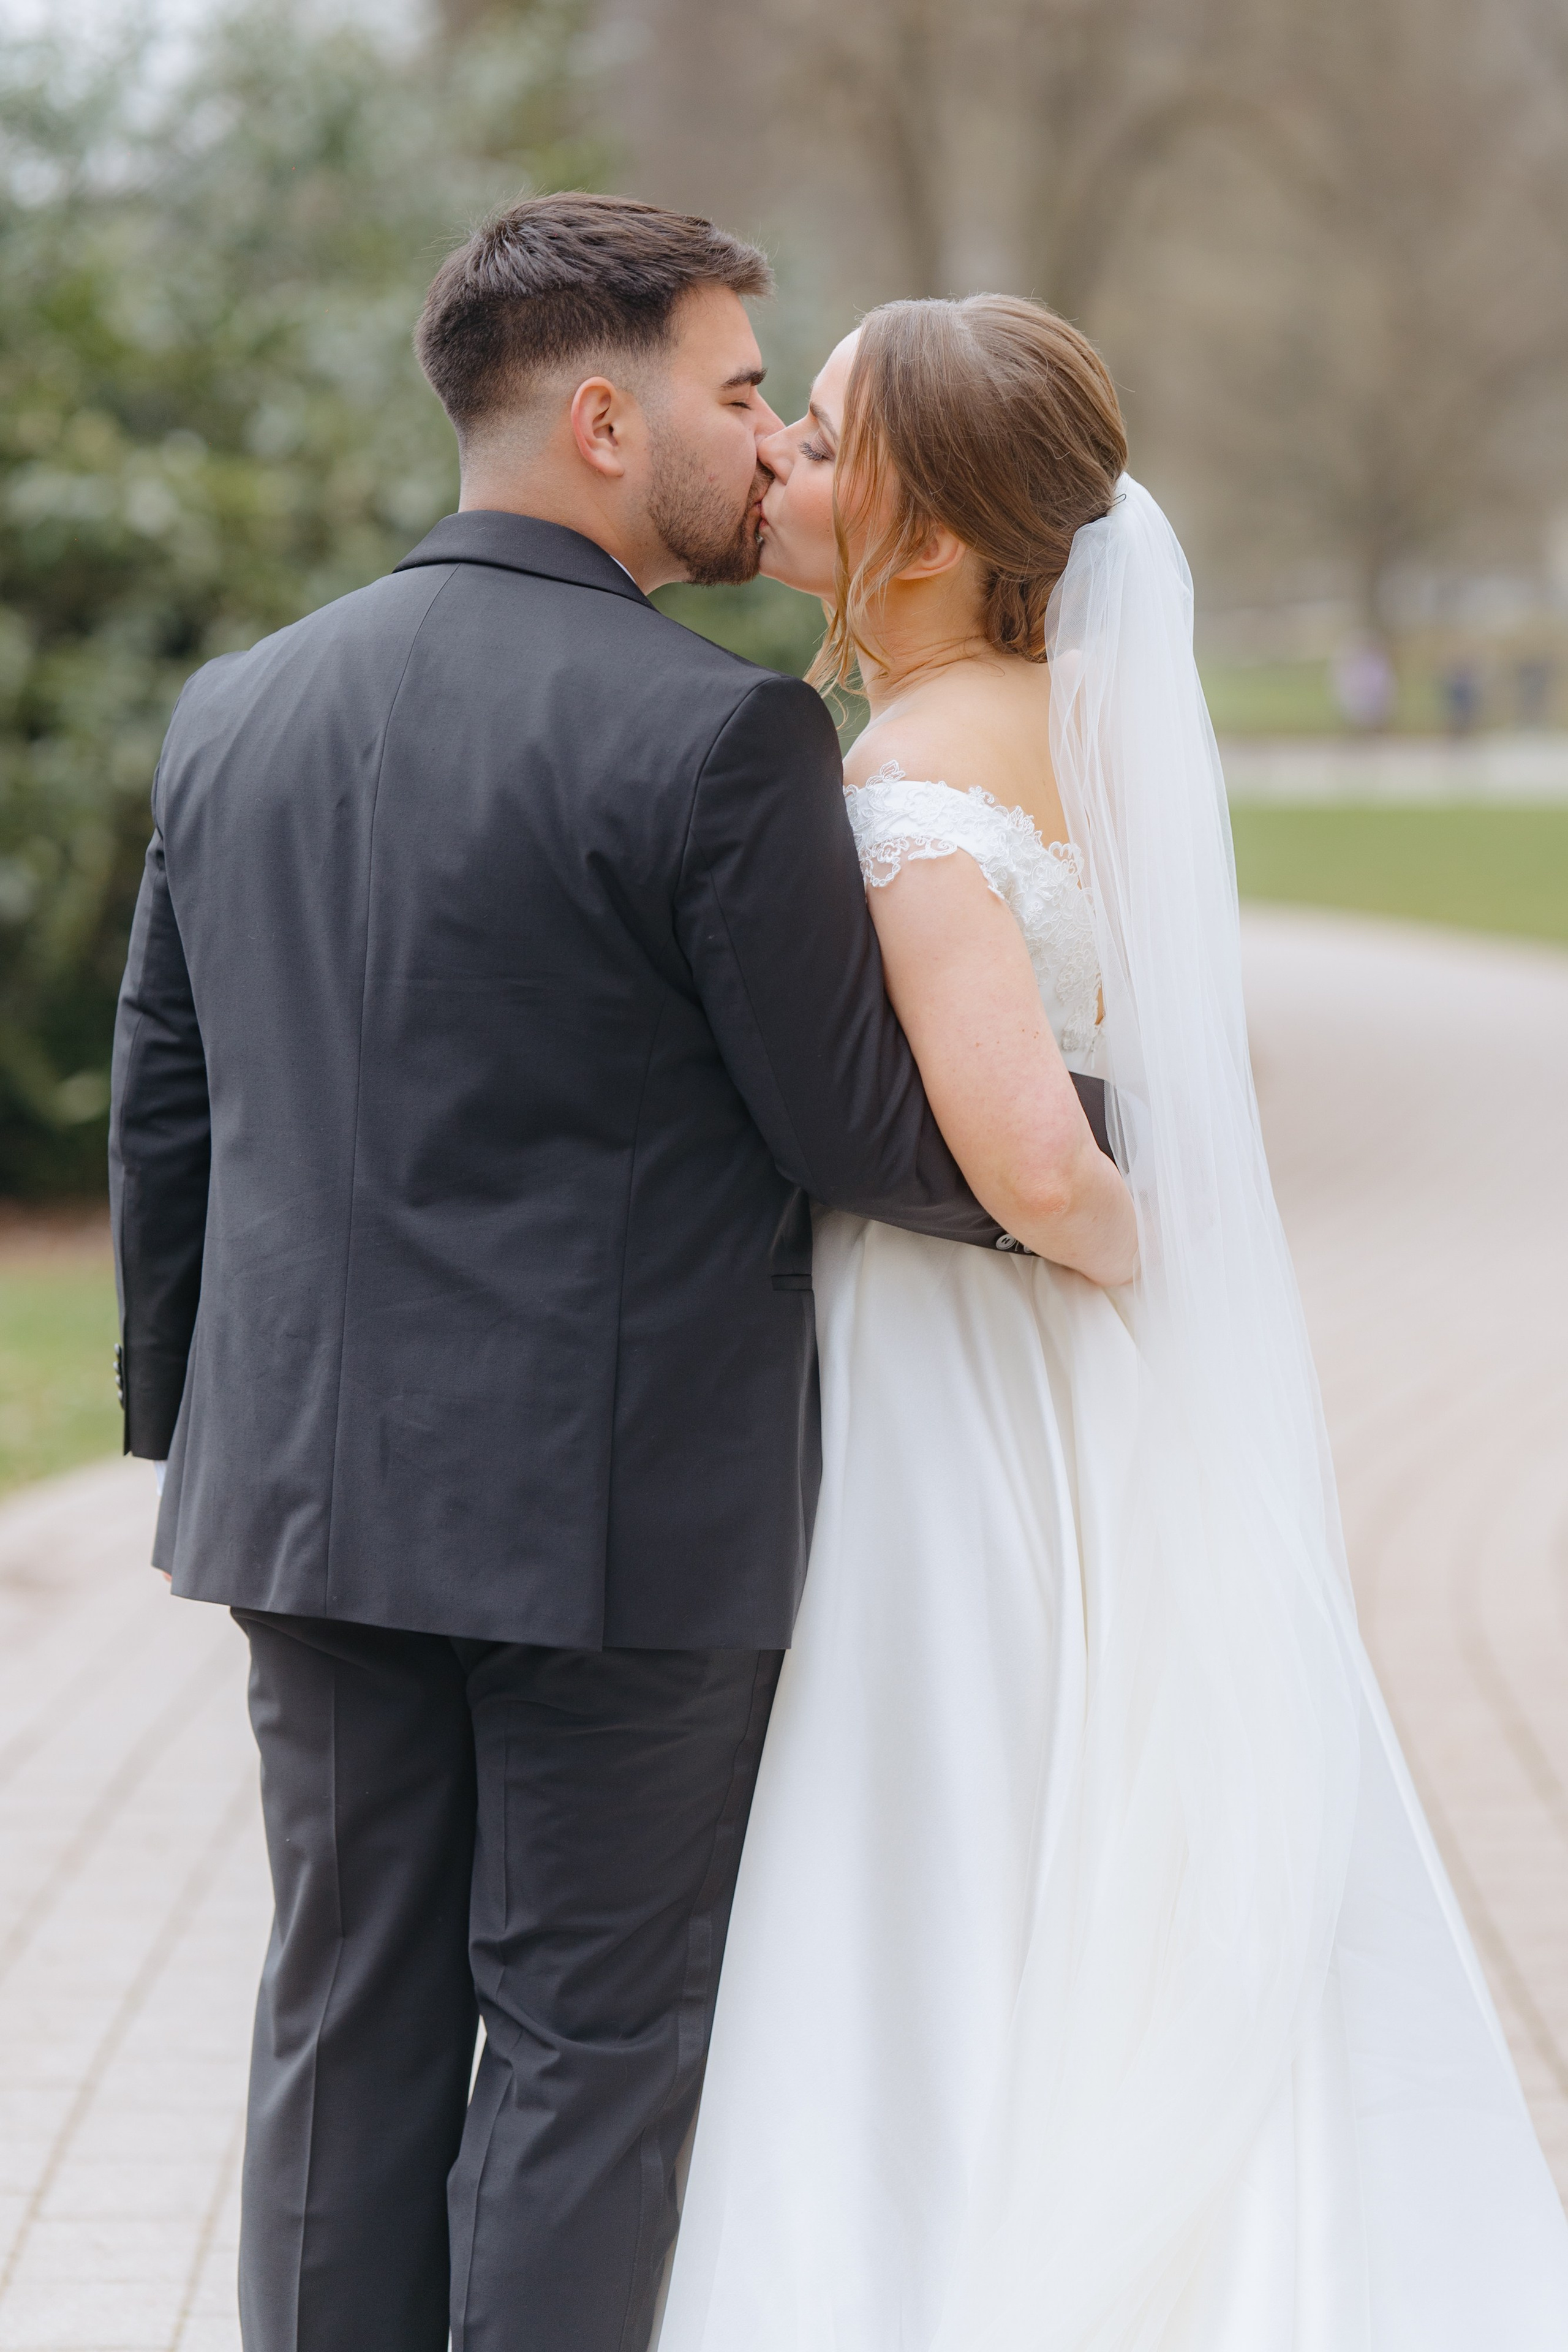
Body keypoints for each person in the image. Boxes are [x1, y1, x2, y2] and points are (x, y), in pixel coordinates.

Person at [107, 198, 1125, 2352]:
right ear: (601, 419)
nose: (768, 444)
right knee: (589, 2042)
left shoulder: (237, 709)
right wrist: (1137, 1150)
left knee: (341, 2019)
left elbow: (167, 1113)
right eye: (741, 392)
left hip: (304, 1501)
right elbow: (858, 1126)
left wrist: (199, 1433)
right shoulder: (717, 736)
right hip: (618, 1528)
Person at [655, 299, 1568, 2348]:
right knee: (1111, 1790)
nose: (782, 459)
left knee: (964, 1790)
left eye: (823, 437)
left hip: (962, 1364)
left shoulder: (909, 776)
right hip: (1081, 1370)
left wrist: (1142, 1249)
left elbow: (1036, 1167)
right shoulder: (1076, 723)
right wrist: (1182, 1274)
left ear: (923, 528)